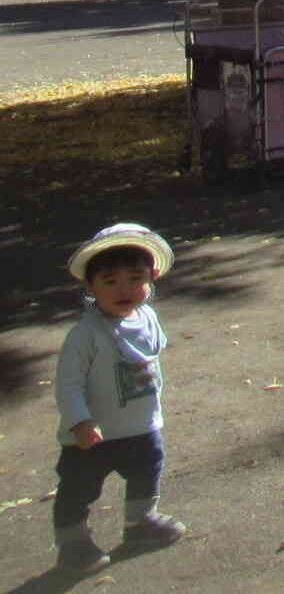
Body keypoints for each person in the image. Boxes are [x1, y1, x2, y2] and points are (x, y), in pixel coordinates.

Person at [52, 223, 186, 573]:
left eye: (134, 279)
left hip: (141, 424)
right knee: (79, 487)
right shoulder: (86, 335)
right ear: (90, 286)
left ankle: (140, 522)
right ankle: (73, 542)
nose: (123, 290)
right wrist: (80, 421)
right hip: (93, 434)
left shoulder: (148, 317)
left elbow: (150, 358)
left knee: (147, 470)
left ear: (152, 277)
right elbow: (68, 383)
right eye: (110, 281)